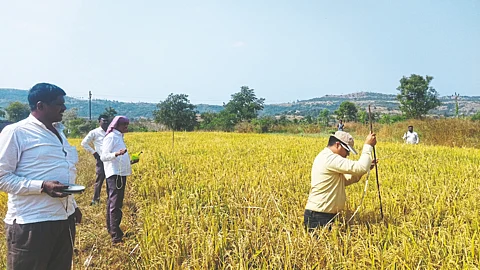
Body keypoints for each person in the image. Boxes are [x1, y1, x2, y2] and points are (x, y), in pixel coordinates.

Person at [0, 83, 82, 269]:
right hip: (32, 223)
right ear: (40, 106)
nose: (64, 108)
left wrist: (72, 206)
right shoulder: (16, 132)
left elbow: (65, 170)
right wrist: (42, 186)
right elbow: (2, 177)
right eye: (59, 104)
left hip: (64, 218)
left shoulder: (58, 132)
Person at [304, 131, 376, 230]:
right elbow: (360, 167)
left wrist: (366, 167)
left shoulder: (328, 158)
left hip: (324, 215)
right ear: (338, 145)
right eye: (347, 151)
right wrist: (368, 145)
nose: (347, 155)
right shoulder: (329, 158)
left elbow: (344, 180)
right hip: (319, 216)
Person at [101, 115, 138, 244]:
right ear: (117, 125)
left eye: (127, 125)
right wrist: (117, 154)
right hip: (114, 174)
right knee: (115, 204)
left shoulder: (118, 137)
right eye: (124, 125)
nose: (126, 127)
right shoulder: (111, 137)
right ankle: (116, 236)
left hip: (120, 172)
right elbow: (103, 156)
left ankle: (112, 229)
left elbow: (120, 157)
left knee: (113, 203)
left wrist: (131, 160)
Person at [81, 115, 110, 205]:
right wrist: (94, 153)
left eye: (107, 121)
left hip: (111, 159)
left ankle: (110, 200)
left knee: (110, 180)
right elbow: (84, 143)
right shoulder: (94, 132)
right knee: (99, 180)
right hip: (101, 159)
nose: (105, 123)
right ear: (99, 122)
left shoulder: (111, 132)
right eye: (103, 121)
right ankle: (95, 200)